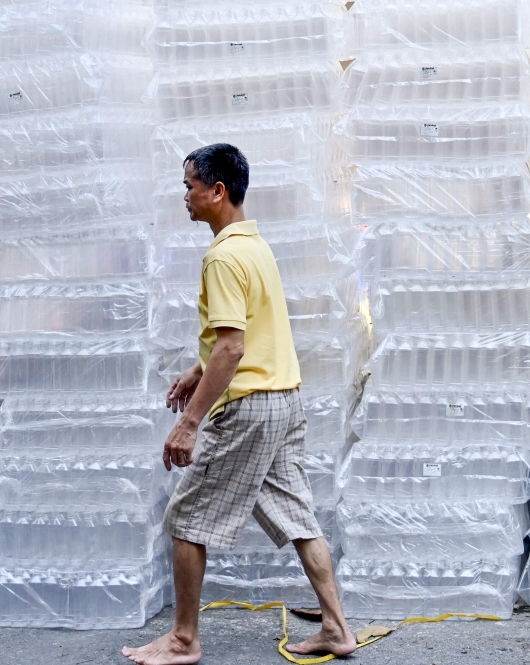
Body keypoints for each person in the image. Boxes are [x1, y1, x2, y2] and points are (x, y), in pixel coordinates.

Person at [122, 144, 356, 665]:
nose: (184, 196)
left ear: (217, 191)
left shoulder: (223, 257)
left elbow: (233, 346)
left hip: (248, 407)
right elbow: (242, 336)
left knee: (186, 519)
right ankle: (337, 629)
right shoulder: (255, 247)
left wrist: (188, 423)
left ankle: (182, 639)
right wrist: (199, 367)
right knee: (298, 518)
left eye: (189, 186)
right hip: (284, 401)